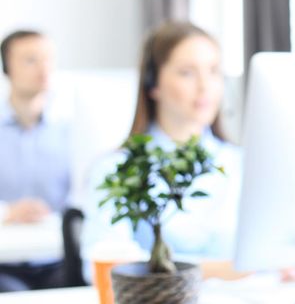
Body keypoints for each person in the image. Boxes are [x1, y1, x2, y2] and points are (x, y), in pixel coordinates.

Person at [81, 21, 242, 279]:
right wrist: (223, 271)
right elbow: (103, 265)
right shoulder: (117, 169)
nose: (205, 86)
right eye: (187, 73)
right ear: (152, 83)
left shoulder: (241, 164)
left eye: (213, 71)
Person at [0, 30, 72, 291]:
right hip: (5, 262)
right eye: (30, 60)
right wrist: (8, 212)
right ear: (7, 67)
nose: (44, 68)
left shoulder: (71, 128)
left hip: (60, 260)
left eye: (48, 59)